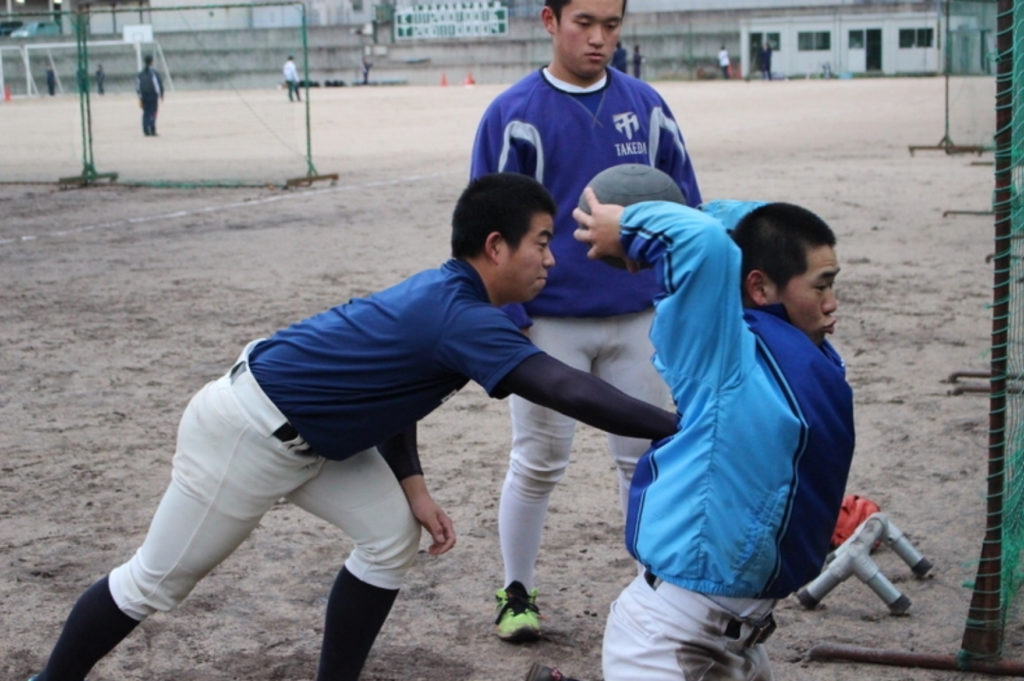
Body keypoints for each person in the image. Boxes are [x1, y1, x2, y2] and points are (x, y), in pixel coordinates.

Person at [25, 173, 680, 681]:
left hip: (314, 435)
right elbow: (565, 386)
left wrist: (414, 486)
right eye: (541, 242)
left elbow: (393, 394)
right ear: (494, 246)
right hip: (245, 434)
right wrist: (676, 426)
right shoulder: (461, 313)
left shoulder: (452, 298)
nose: (552, 259)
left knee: (391, 534)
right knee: (152, 582)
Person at [547, 191, 852, 681]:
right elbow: (705, 241)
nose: (832, 303)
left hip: (741, 645)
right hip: (667, 641)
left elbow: (731, 229)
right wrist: (627, 229)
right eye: (821, 286)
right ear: (759, 287)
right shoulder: (723, 353)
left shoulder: (805, 352)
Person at [469, 0, 702, 644]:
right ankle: (516, 592)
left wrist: (677, 293)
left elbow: (689, 204)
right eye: (585, 23)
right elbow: (487, 225)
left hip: (638, 318)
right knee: (539, 460)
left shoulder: (648, 105)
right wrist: (510, 316)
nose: (600, 39)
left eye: (612, 24)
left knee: (643, 460)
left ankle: (657, 597)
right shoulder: (513, 114)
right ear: (549, 20)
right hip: (551, 322)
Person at [135, 54, 163, 136]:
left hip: (144, 96)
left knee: (145, 113)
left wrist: (140, 96)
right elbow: (157, 85)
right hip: (152, 96)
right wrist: (160, 94)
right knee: (153, 112)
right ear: (152, 62)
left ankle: (145, 130)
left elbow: (137, 86)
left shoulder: (140, 74)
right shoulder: (154, 73)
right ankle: (152, 129)